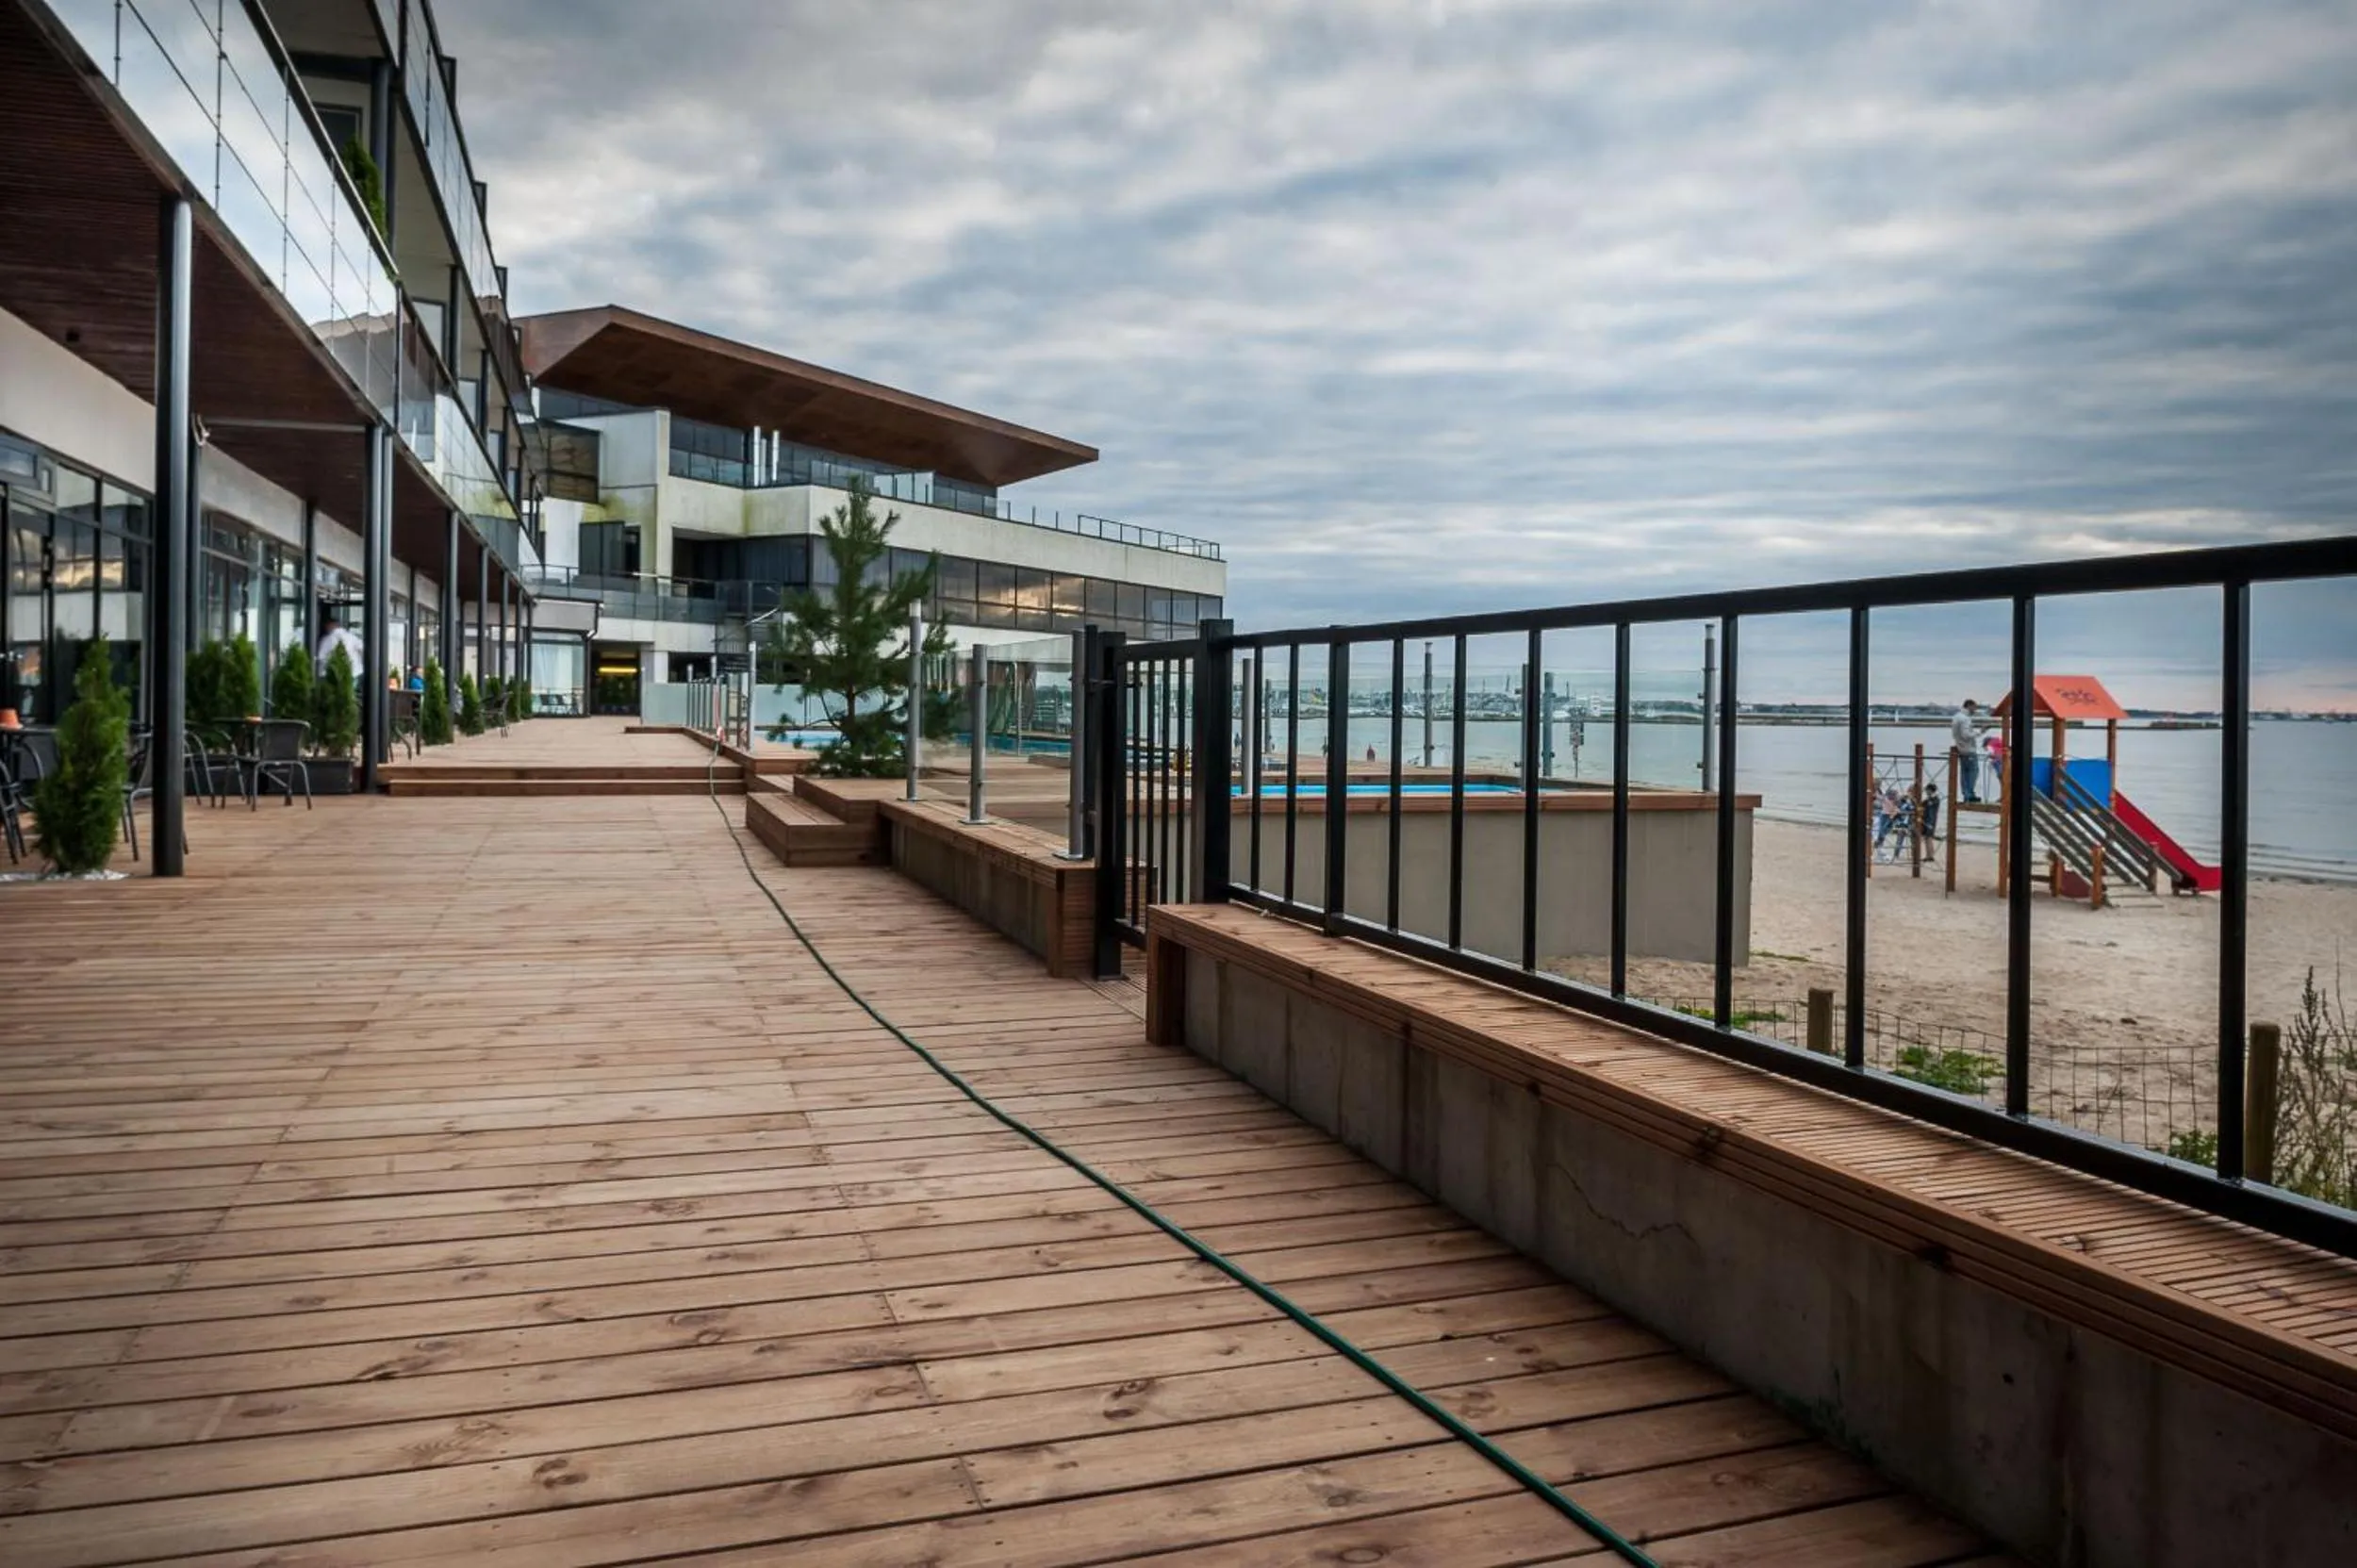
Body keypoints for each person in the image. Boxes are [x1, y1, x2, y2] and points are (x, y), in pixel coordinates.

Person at [1952, 698, 1983, 801]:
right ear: (1969, 706)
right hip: (1968, 749)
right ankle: (1969, 794)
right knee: (1974, 771)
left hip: (1960, 748)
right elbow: (1966, 735)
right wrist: (1979, 732)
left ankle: (1966, 794)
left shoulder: (1956, 717)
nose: (1975, 710)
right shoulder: (1965, 719)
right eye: (1974, 707)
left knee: (1964, 773)